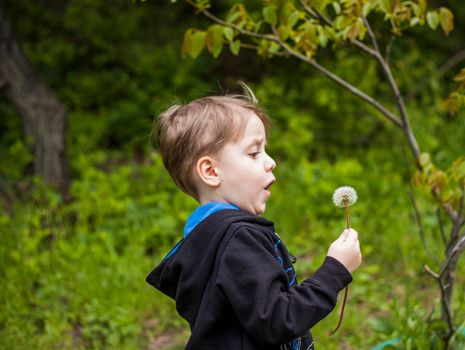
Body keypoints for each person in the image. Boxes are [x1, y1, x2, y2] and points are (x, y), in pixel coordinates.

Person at [146, 87, 362, 350]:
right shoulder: (238, 239)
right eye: (254, 153)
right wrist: (335, 271)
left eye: (265, 150)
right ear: (211, 171)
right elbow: (278, 320)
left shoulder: (205, 237)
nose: (270, 162)